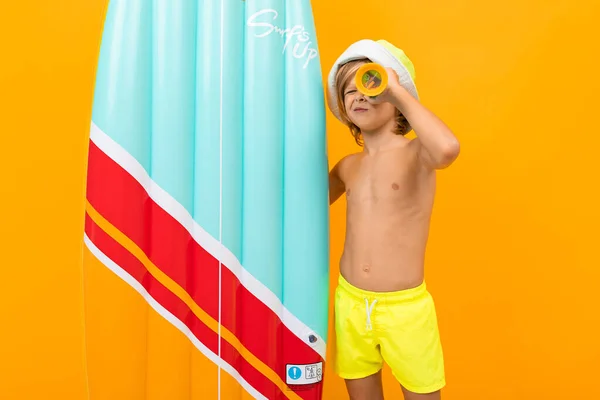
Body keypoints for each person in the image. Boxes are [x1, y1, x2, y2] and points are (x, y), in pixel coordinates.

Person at [326, 39, 460, 400]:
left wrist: (397, 92)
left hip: (404, 310)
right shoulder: (348, 166)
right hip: (350, 303)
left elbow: (448, 149)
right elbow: (304, 205)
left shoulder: (418, 153)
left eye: (370, 84)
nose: (358, 94)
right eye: (348, 91)